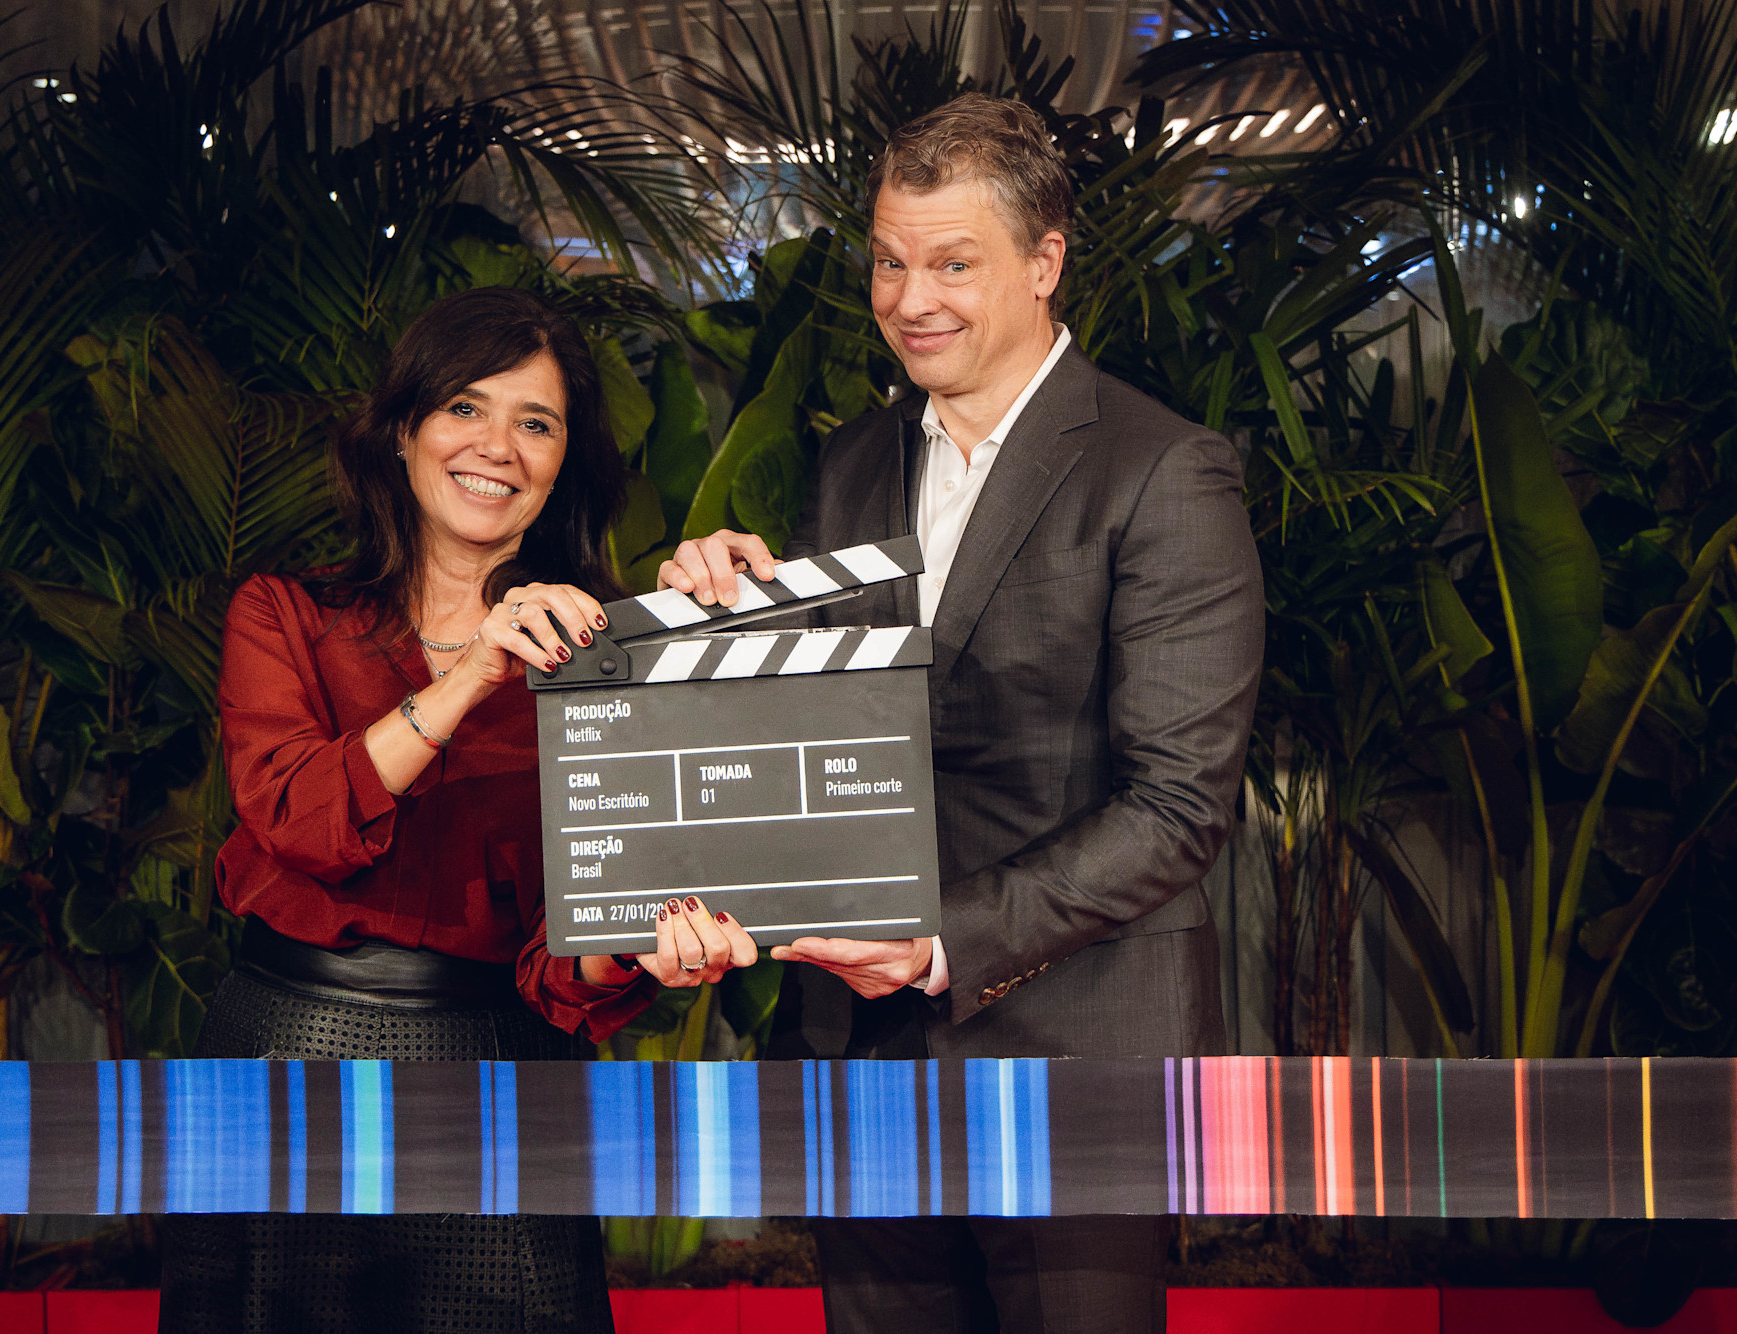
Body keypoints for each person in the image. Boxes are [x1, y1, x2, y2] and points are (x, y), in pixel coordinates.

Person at [662, 94, 1265, 1333]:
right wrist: (717, 619)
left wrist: (937, 939)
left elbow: (1175, 804)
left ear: (1043, 264)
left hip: (1073, 1048)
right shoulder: (849, 461)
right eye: (888, 260)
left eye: (951, 262)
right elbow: (838, 734)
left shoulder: (1160, 469)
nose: (909, 297)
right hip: (860, 1050)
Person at [161, 285, 759, 1334]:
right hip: (282, 1050)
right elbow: (297, 816)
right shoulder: (284, 613)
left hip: (498, 1068)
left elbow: (565, 957)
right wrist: (475, 668)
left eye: (536, 422)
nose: (497, 446)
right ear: (402, 430)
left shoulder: (605, 664)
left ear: (565, 462)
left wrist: (637, 949)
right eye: (464, 408)